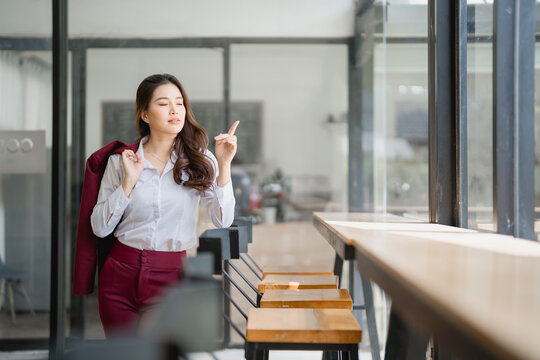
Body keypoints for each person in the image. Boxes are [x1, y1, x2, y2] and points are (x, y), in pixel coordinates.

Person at [89, 73, 238, 337]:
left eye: (179, 102)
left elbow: (222, 220)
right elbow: (100, 228)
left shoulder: (201, 160)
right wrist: (128, 182)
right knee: (123, 356)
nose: (174, 110)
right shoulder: (121, 162)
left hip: (170, 275)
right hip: (119, 273)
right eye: (163, 103)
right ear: (145, 114)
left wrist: (224, 164)